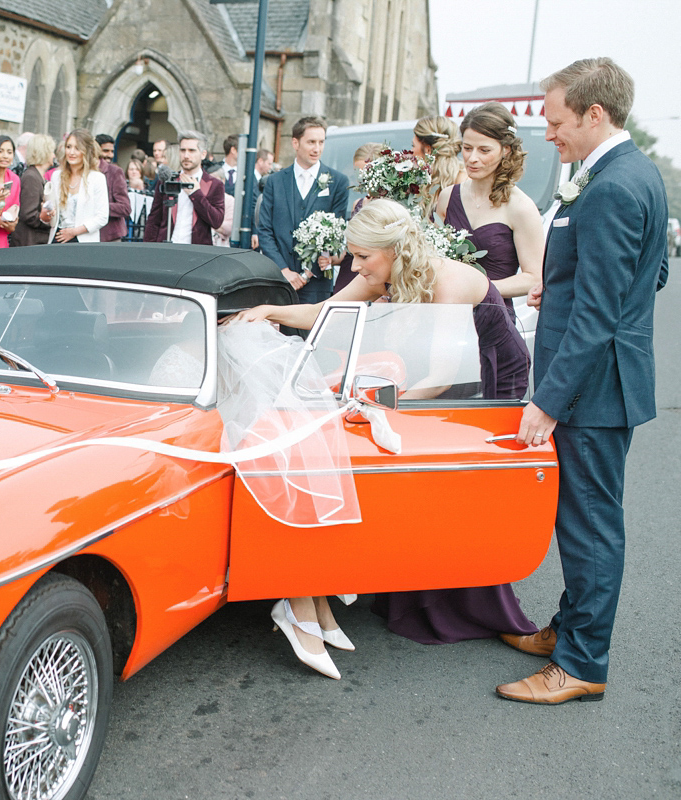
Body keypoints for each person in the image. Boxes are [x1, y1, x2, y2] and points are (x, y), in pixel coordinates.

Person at [227, 197, 534, 679]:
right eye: (352, 254)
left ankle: (467, 600)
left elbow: (444, 375)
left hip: (490, 369)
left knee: (455, 483)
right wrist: (267, 311)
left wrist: (376, 404)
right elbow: (326, 313)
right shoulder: (374, 271)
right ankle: (406, 584)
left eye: (362, 256)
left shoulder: (449, 282)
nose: (354, 265)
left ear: (394, 250)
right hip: (431, 373)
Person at [496, 58, 669, 706]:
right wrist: (560, 285)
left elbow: (600, 312)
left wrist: (547, 401)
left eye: (556, 121)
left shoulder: (614, 187)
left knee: (591, 528)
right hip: (603, 378)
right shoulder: (627, 174)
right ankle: (569, 630)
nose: (549, 134)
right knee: (584, 522)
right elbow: (649, 278)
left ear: (595, 114)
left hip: (594, 388)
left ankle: (581, 664)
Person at [434, 103, 543, 307]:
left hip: (494, 318)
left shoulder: (521, 207)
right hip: (447, 315)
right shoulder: (448, 197)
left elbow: (533, 278)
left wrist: (478, 289)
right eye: (467, 148)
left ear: (506, 150)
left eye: (484, 150)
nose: (472, 158)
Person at [257, 117, 349, 303]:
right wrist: (283, 270)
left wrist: (307, 273)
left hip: (317, 285)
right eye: (311, 142)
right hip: (279, 281)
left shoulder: (338, 182)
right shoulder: (275, 182)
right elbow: (265, 230)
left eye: (321, 142)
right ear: (295, 143)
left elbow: (335, 234)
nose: (317, 149)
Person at [143, 131, 225, 245]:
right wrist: (148, 249)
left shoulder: (215, 184)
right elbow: (154, 219)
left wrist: (196, 194)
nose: (186, 155)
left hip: (197, 253)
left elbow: (217, 221)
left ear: (203, 154)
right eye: (183, 150)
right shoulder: (167, 180)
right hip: (166, 249)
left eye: (191, 150)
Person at [331, 142, 387, 293]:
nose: (360, 178)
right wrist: (333, 258)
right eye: (357, 172)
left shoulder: (391, 206)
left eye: (365, 172)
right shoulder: (358, 203)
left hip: (375, 274)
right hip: (349, 272)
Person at [41, 129, 108, 243]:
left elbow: (102, 217)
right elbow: (50, 218)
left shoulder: (97, 178)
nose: (71, 152)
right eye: (68, 147)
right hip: (58, 238)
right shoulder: (56, 176)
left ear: (86, 151)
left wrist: (74, 232)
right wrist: (46, 215)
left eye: (77, 148)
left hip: (84, 241)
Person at [413, 115, 465, 220]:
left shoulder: (463, 182)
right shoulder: (419, 182)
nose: (410, 152)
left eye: (413, 145)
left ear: (427, 150)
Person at [9, 133, 54, 247]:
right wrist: (46, 220)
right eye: (51, 151)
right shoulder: (31, 177)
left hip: (33, 241)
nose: (54, 155)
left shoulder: (37, 176)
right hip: (28, 242)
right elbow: (29, 214)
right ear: (44, 153)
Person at [95, 133, 131, 241]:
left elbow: (125, 208)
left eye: (112, 151)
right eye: (106, 151)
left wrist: (99, 206)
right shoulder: (84, 171)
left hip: (110, 237)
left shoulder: (115, 172)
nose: (110, 155)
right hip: (87, 235)